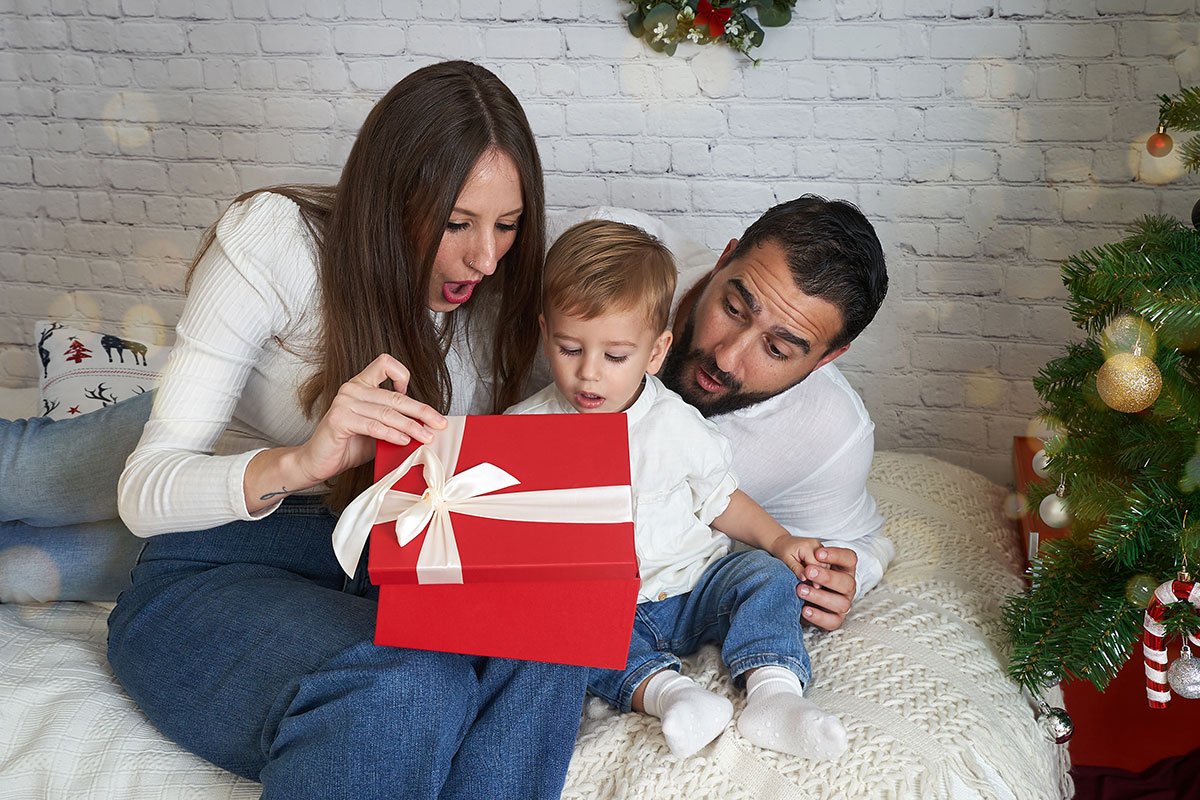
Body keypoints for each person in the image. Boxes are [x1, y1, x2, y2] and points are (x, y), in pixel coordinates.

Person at [65, 61, 580, 799]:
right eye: (456, 223)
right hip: (221, 564)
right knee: (409, 685)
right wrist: (303, 461)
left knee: (550, 641)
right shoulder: (277, 242)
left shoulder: (505, 297)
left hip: (387, 567)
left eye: (508, 224)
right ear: (389, 199)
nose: (485, 257)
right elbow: (144, 492)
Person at [508, 220, 849, 761]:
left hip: (696, 586)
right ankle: (672, 696)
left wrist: (782, 543)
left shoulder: (676, 422)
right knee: (560, 625)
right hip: (611, 606)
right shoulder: (522, 431)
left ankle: (774, 695)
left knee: (766, 574)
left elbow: (722, 501)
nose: (588, 375)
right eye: (569, 348)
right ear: (545, 332)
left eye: (615, 357)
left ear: (655, 351)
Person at [548, 197, 892, 626]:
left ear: (826, 358)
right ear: (724, 260)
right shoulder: (596, 259)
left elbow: (862, 540)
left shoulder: (833, 432)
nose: (727, 358)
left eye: (777, 349)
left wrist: (842, 579)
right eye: (733, 309)